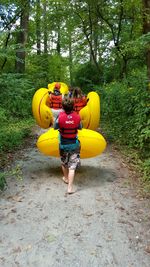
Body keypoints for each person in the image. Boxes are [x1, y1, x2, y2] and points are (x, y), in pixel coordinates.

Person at [54, 97, 82, 194]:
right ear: (73, 106)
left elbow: (55, 127)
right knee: (72, 167)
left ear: (63, 107)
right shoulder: (77, 116)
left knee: (63, 162)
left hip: (63, 145)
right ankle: (70, 188)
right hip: (74, 145)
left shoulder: (60, 116)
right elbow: (80, 127)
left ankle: (65, 178)